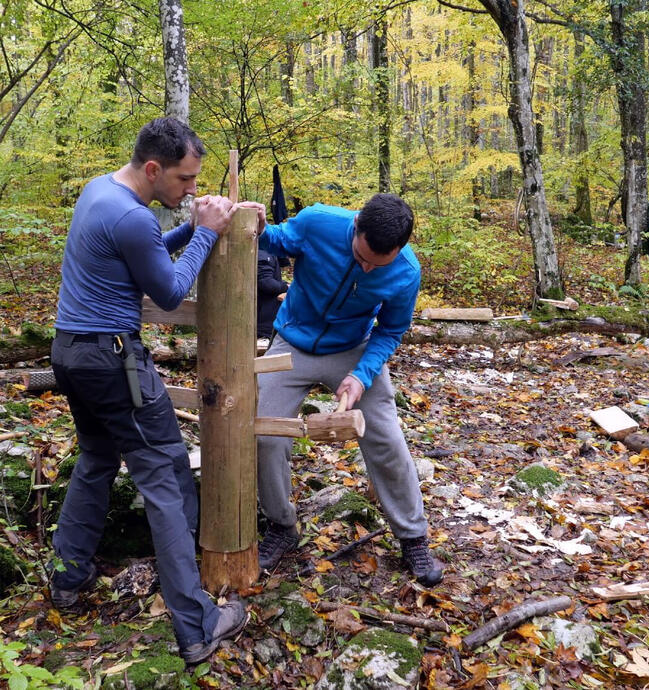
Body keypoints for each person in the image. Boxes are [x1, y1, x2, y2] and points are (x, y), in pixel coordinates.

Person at [49, 117, 246, 663]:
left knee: (95, 459)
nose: (190, 191)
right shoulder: (132, 218)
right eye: (185, 180)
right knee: (165, 475)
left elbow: (144, 251)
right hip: (112, 361)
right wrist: (206, 231)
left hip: (69, 352)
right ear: (154, 169)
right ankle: (197, 625)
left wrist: (190, 231)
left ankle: (67, 577)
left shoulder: (101, 191)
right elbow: (168, 289)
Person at [240, 193, 444, 587]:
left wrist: (362, 375)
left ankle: (413, 536)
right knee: (264, 433)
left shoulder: (405, 272)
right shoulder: (320, 222)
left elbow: (391, 329)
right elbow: (275, 241)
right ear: (356, 228)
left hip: (354, 349)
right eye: (361, 256)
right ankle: (282, 525)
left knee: (385, 435)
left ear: (399, 248)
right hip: (292, 342)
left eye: (376, 264)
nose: (366, 267)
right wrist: (257, 226)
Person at [256, 248, 288, 339]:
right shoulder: (264, 254)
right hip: (263, 321)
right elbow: (266, 283)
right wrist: (286, 287)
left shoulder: (268, 253)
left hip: (264, 318)